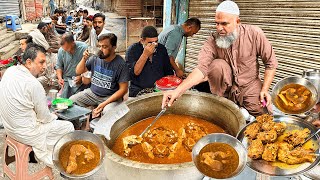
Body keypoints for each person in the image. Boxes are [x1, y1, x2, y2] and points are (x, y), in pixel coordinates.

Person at [162, 1, 278, 116]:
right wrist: (177, 91)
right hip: (225, 90)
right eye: (217, 23)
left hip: (249, 86)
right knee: (217, 65)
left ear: (237, 22)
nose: (219, 28)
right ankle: (224, 103)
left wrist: (265, 89)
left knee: (263, 116)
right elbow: (201, 69)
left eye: (224, 24)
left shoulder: (254, 34)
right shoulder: (212, 40)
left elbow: (271, 63)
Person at [0, 43, 74, 167]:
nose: (44, 66)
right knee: (68, 126)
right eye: (41, 62)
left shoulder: (10, 71)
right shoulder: (33, 84)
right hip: (24, 133)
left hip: (9, 128)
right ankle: (61, 162)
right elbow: (44, 118)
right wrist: (53, 116)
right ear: (29, 62)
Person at [70, 33, 129, 118]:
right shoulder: (95, 58)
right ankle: (78, 127)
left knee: (108, 112)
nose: (101, 49)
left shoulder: (121, 64)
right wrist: (84, 58)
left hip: (110, 98)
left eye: (105, 47)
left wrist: (104, 104)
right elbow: (78, 71)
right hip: (92, 93)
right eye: (99, 46)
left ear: (114, 47)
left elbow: (123, 89)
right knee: (72, 100)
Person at [126, 26, 173, 97]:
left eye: (156, 41)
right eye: (150, 43)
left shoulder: (161, 49)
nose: (154, 45)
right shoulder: (132, 50)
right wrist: (145, 54)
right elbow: (135, 72)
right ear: (142, 41)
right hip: (138, 91)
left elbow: (168, 71)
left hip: (159, 90)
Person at [56, 33, 89, 98]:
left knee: (77, 98)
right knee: (63, 98)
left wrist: (81, 76)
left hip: (80, 80)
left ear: (73, 43)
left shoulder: (84, 48)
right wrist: (60, 78)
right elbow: (59, 66)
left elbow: (90, 67)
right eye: (65, 50)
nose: (68, 51)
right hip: (67, 79)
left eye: (69, 49)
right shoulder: (61, 50)